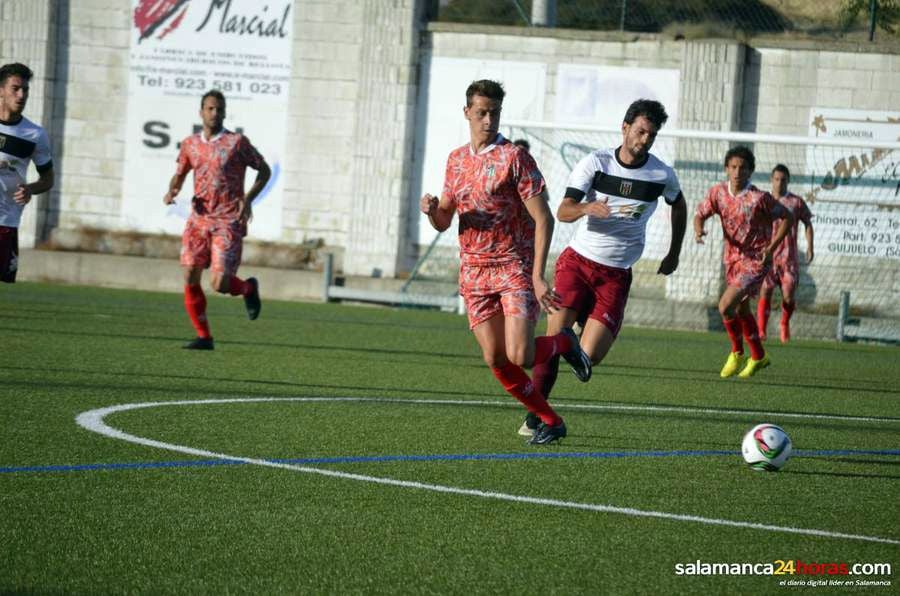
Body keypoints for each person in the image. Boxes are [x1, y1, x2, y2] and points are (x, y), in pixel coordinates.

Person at [420, 79, 591, 445]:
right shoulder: (455, 160)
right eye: (481, 112)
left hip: (513, 266)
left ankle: (563, 343)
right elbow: (445, 221)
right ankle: (550, 419)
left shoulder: (514, 158)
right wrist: (433, 211)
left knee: (522, 354)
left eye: (494, 113)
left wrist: (538, 276)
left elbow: (544, 219)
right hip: (473, 271)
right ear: (467, 113)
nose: (488, 120)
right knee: (497, 359)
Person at [528, 99, 687, 436]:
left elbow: (679, 204)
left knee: (588, 361)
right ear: (625, 127)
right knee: (555, 335)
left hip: (615, 275)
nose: (644, 139)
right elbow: (563, 210)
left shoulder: (661, 174)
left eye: (651, 135)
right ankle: (535, 415)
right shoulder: (596, 163)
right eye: (641, 131)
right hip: (578, 263)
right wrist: (587, 208)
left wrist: (674, 252)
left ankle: (573, 347)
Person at [163, 90, 270, 350]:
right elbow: (180, 173)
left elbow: (264, 170)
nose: (215, 113)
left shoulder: (236, 143)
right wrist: (172, 190)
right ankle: (204, 337)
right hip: (199, 219)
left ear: (224, 112)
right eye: (210, 109)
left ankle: (248, 289)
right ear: (201, 112)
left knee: (219, 283)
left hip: (228, 220)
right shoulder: (190, 144)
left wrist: (248, 198)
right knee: (190, 274)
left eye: (219, 109)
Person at [694, 146, 793, 378]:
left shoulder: (759, 198)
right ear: (727, 169)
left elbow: (788, 216)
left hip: (756, 261)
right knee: (741, 308)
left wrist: (772, 248)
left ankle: (737, 353)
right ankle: (759, 356)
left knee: (725, 305)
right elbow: (700, 213)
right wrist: (699, 229)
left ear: (750, 171)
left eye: (743, 168)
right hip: (732, 260)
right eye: (734, 167)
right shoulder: (717, 193)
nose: (738, 172)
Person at [0, 63, 54, 283]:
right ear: (1, 90)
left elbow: (48, 179)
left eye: (25, 90)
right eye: (15, 88)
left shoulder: (34, 134)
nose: (21, 95)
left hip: (5, 219)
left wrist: (30, 189)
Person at [757, 164, 814, 343]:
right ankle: (761, 330)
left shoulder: (796, 202)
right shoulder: (764, 200)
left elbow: (807, 222)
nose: (779, 183)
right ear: (771, 180)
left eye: (783, 180)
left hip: (789, 258)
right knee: (765, 291)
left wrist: (810, 246)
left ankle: (784, 323)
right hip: (768, 256)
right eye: (776, 179)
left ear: (788, 181)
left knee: (788, 296)